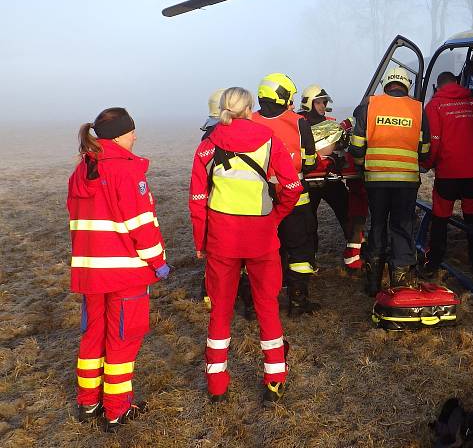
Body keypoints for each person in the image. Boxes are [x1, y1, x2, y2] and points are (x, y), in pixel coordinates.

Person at [189, 87, 301, 404]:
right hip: (262, 238)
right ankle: (274, 380)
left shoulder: (206, 148)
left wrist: (201, 240)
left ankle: (217, 385)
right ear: (250, 108)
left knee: (220, 313)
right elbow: (292, 187)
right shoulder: (269, 140)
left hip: (221, 241)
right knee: (267, 308)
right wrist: (274, 217)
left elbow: (197, 201)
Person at [68, 107, 170, 432]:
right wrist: (159, 263)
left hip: (90, 271)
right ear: (118, 135)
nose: (135, 136)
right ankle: (117, 409)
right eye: (131, 131)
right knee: (123, 339)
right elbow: (141, 225)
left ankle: (88, 402)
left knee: (92, 336)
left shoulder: (82, 170)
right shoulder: (126, 171)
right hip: (126, 272)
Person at [349, 67, 430, 295]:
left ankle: (373, 283)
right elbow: (424, 150)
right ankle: (401, 284)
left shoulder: (370, 105)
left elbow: (356, 146)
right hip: (406, 181)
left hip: (376, 180)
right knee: (402, 227)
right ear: (407, 85)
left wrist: (360, 165)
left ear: (386, 83)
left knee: (377, 225)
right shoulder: (418, 109)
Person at [251, 73, 321, 316]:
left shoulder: (249, 121)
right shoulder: (298, 122)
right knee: (300, 250)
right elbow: (310, 161)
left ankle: (255, 303)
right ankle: (298, 301)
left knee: (260, 251)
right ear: (282, 96)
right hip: (295, 200)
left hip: (257, 201)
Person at [197, 88, 255, 319]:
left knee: (219, 260)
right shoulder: (255, 135)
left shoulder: (209, 137)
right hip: (249, 209)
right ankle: (247, 302)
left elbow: (202, 183)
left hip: (220, 209)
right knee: (246, 259)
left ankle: (214, 298)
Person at [422, 71, 473, 277]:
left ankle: (434, 262)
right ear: (457, 82)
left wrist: (427, 164)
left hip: (448, 173)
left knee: (440, 218)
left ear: (438, 87)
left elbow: (435, 140)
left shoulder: (435, 105)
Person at [299, 84, 368, 272]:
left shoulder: (330, 123)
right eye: (319, 102)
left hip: (330, 178)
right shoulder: (298, 123)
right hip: (309, 181)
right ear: (309, 103)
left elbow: (339, 146)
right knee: (308, 221)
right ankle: (308, 260)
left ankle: (354, 255)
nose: (322, 106)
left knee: (346, 211)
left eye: (324, 102)